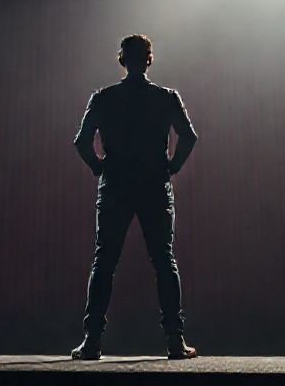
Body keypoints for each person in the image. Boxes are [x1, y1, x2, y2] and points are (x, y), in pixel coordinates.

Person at [70, 34, 199, 360]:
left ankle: (92, 342)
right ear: (149, 59)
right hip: (154, 184)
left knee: (104, 261)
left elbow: (82, 141)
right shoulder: (166, 98)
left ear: (122, 59)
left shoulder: (103, 98)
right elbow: (188, 136)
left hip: (116, 184)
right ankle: (174, 340)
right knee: (164, 260)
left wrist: (98, 167)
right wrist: (172, 166)